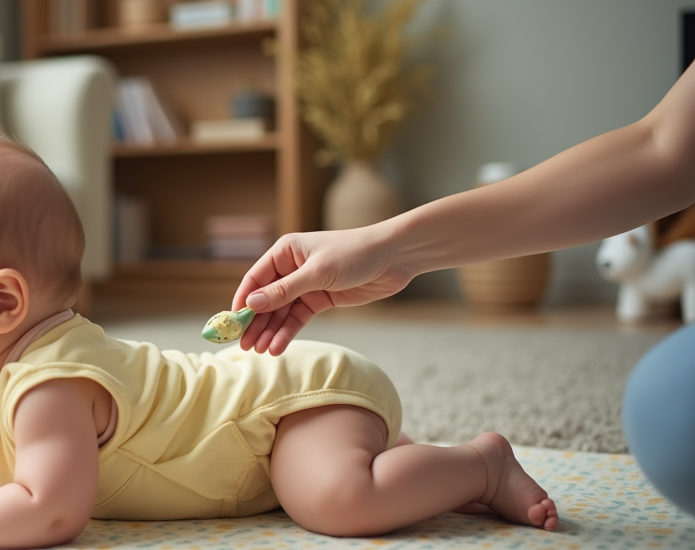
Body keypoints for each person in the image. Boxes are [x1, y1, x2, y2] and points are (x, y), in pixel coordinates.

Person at [0, 138, 559, 550]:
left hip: (282, 404)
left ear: (3, 302)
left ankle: (480, 467)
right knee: (319, 485)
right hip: (263, 428)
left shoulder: (52, 383)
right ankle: (408, 462)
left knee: (334, 501)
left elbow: (50, 510)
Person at [233, 62, 695, 515]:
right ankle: (424, 465)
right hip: (276, 388)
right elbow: (661, 148)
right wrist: (392, 249)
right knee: (670, 412)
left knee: (338, 497)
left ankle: (481, 466)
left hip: (292, 399)